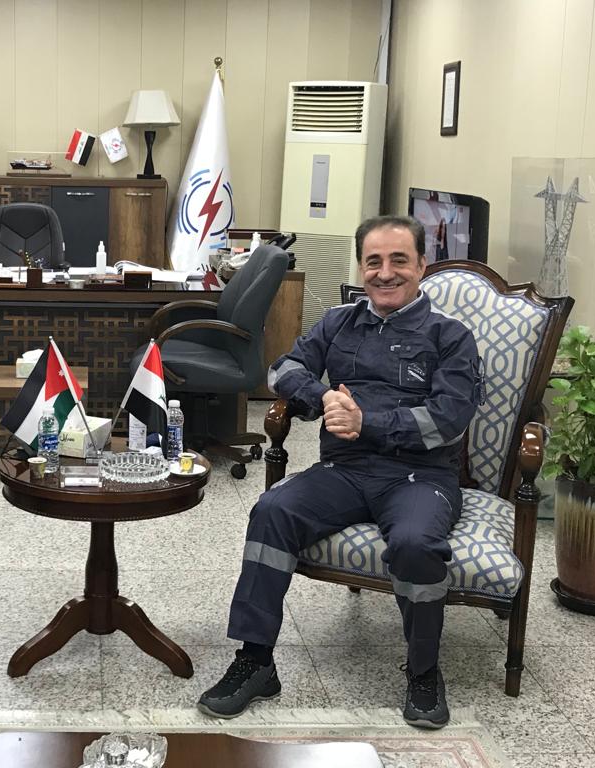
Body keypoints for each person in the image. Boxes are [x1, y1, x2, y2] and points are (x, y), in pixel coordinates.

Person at [197, 215, 480, 729]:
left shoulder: (451, 336)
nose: (385, 273)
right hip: (345, 469)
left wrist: (366, 420)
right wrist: (323, 396)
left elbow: (448, 421)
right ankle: (256, 661)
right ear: (361, 267)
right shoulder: (339, 322)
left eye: (399, 260)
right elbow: (282, 369)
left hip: (420, 477)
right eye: (373, 262)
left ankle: (423, 672)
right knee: (272, 510)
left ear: (422, 265)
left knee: (415, 543)